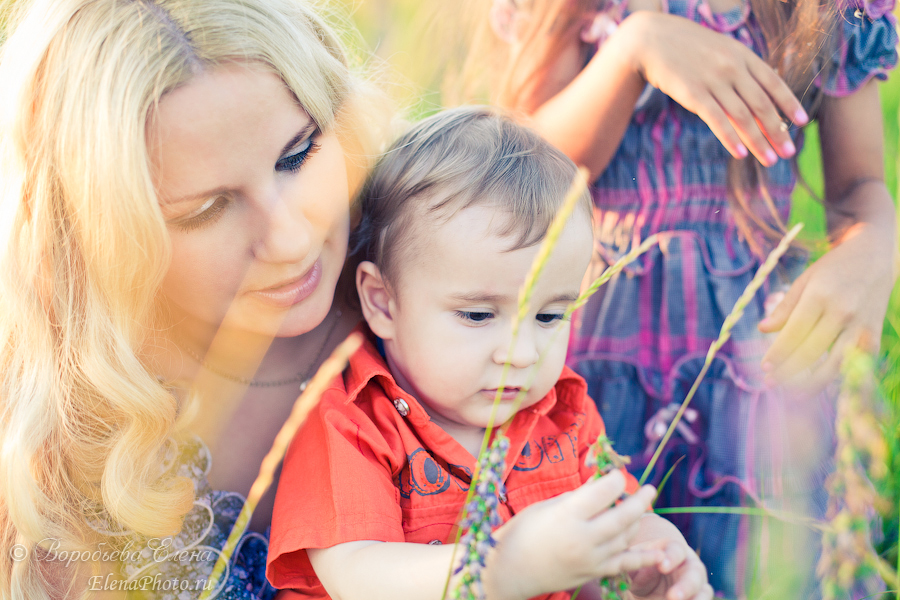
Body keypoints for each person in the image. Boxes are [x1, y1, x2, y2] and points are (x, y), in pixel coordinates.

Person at [464, 0, 899, 596]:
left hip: (757, 356)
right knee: (599, 562)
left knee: (769, 567)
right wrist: (631, 50)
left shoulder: (824, 9)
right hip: (595, 348)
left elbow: (860, 185)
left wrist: (877, 245)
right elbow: (523, 173)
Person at [0, 0, 388, 598]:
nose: (290, 238)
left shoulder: (435, 278)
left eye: (299, 156)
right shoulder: (54, 420)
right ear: (97, 234)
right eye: (206, 209)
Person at [266, 106, 714, 600]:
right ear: (383, 303)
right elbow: (357, 574)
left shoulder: (565, 415)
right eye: (478, 316)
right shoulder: (353, 423)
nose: (521, 354)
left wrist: (654, 556)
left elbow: (614, 529)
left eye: (548, 317)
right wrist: (498, 570)